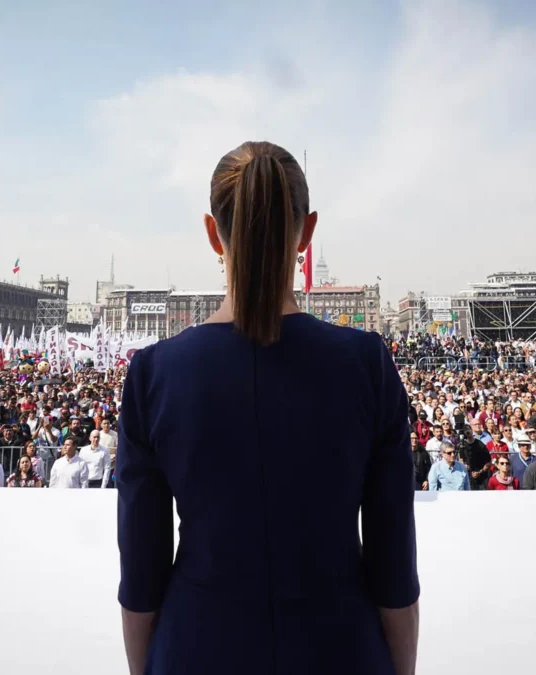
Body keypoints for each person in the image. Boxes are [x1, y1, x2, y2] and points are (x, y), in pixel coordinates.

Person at [116, 142, 419, 675]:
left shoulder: (153, 373)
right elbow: (394, 571)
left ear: (214, 233)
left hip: (196, 648)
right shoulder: (366, 364)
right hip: (341, 649)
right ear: (307, 232)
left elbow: (141, 579)